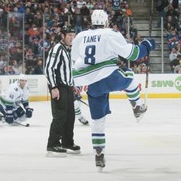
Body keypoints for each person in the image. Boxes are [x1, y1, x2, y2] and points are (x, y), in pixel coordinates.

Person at [71, 9, 155, 171]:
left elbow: (76, 58)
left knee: (98, 121)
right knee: (129, 77)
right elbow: (133, 54)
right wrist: (147, 46)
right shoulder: (110, 33)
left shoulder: (80, 36)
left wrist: (77, 85)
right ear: (106, 22)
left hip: (91, 84)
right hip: (108, 77)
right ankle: (137, 107)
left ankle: (99, 154)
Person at [45, 25, 81, 158]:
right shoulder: (58, 49)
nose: (72, 38)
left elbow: (68, 71)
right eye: (69, 35)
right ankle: (52, 144)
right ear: (62, 36)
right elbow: (49, 69)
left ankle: (67, 143)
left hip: (67, 87)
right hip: (58, 87)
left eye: (73, 35)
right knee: (59, 116)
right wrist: (54, 87)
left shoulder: (68, 50)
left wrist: (72, 85)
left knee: (70, 116)